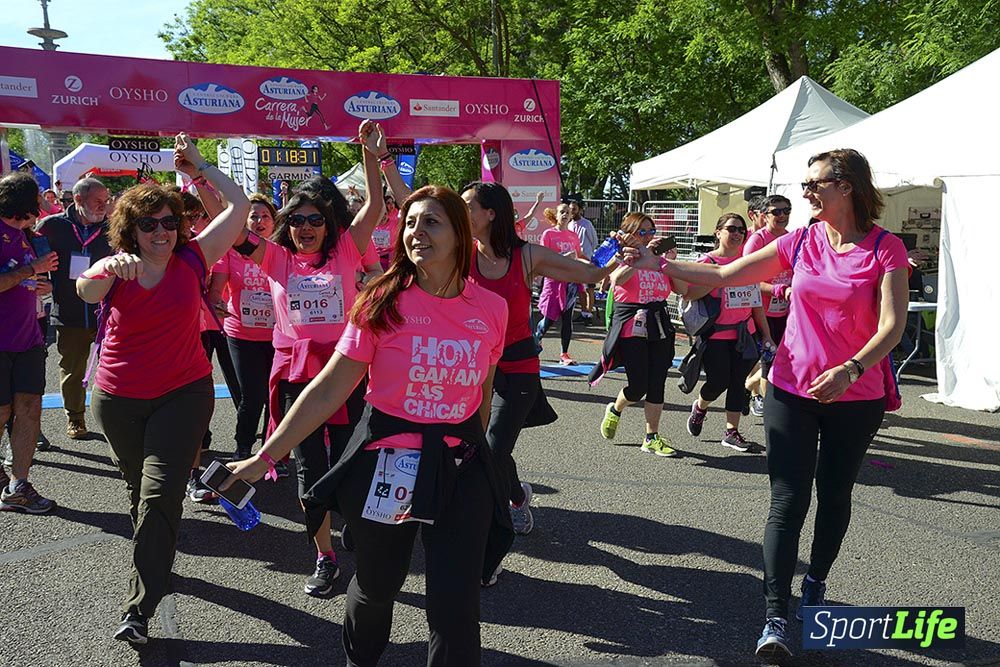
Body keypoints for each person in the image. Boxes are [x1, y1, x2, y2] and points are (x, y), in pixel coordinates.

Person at [624, 148, 908, 659]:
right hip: (790, 388)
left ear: (845, 186)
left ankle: (815, 584)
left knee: (835, 493)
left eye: (814, 183)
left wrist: (850, 370)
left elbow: (893, 326)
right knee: (787, 498)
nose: (804, 193)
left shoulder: (885, 249)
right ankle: (776, 614)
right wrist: (658, 263)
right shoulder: (798, 242)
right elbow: (721, 275)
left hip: (855, 393)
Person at [226, 185, 509, 666]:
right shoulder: (380, 301)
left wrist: (478, 455)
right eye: (411, 223)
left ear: (461, 235)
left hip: (459, 467)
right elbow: (329, 387)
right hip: (388, 465)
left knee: (456, 603)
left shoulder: (491, 309)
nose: (417, 232)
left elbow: (480, 394)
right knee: (379, 586)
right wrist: (264, 457)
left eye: (432, 222)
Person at [76, 134, 250, 645]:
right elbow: (85, 289)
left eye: (170, 222)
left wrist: (198, 165)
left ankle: (139, 608)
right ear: (129, 230)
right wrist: (106, 269)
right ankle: (153, 561)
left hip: (184, 394)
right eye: (148, 224)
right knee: (140, 493)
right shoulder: (116, 268)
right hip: (117, 399)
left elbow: (238, 204)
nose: (161, 232)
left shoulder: (194, 259)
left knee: (159, 496)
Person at [226, 120, 384, 597]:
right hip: (295, 375)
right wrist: (199, 172)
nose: (306, 227)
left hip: (348, 371)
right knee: (308, 468)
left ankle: (357, 524)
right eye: (297, 220)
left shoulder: (346, 251)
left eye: (316, 219)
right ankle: (324, 555)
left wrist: (371, 156)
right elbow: (232, 223)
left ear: (328, 224)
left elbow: (375, 206)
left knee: (358, 459)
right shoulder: (273, 259)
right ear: (286, 225)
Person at [461, 181, 616, 556]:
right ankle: (518, 495)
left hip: (518, 368)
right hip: (474, 370)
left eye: (468, 206)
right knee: (482, 448)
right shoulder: (459, 253)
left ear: (491, 213)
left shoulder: (527, 255)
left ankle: (492, 539)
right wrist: (381, 161)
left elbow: (591, 275)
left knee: (494, 450)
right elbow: (411, 208)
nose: (460, 212)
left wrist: (617, 253)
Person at [592, 212, 686, 457]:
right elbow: (616, 280)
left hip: (660, 322)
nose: (647, 237)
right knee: (638, 386)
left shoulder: (659, 259)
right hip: (632, 324)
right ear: (629, 234)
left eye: (651, 232)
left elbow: (684, 289)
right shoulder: (624, 255)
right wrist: (635, 260)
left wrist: (669, 262)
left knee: (657, 382)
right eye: (641, 232)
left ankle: (651, 437)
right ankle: (615, 408)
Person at [683, 213, 772, 453]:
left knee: (737, 384)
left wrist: (766, 334)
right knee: (718, 381)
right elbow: (689, 294)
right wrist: (720, 278)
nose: (737, 234)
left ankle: (731, 432)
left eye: (741, 230)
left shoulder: (748, 262)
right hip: (715, 335)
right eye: (731, 229)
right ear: (718, 232)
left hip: (744, 335)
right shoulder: (706, 262)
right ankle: (700, 407)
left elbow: (756, 303)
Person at [0, 172, 59, 514]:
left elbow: (30, 276)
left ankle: (18, 486)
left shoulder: (29, 236)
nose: (39, 206)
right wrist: (28, 271)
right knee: (3, 411)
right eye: (35, 199)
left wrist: (41, 284)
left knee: (29, 409)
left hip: (29, 337)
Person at [37, 177, 113, 440]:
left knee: (114, 367)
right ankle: (75, 417)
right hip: (68, 313)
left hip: (107, 314)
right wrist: (41, 282)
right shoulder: (52, 226)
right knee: (72, 369)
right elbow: (35, 257)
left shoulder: (112, 228)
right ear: (78, 200)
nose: (104, 206)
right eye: (97, 201)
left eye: (106, 201)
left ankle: (117, 418)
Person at [208, 194, 277, 461]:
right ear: (245, 221)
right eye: (254, 216)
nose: (259, 221)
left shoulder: (281, 250)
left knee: (275, 397)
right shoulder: (230, 250)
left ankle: (272, 452)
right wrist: (215, 302)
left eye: (265, 217)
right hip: (241, 333)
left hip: (277, 336)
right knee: (252, 395)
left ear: (274, 222)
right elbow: (216, 290)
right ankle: (243, 448)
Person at [742, 195, 792, 417]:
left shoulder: (791, 239)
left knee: (778, 360)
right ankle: (772, 413)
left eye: (786, 210)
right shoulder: (758, 240)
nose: (782, 215)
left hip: (785, 311)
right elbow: (746, 278)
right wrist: (776, 289)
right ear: (764, 216)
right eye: (776, 212)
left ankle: (746, 387)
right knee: (768, 362)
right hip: (760, 311)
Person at [534, 203, 586, 365]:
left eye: (568, 213)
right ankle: (536, 339)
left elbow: (579, 256)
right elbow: (544, 257)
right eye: (562, 212)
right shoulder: (548, 234)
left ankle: (564, 354)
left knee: (567, 318)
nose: (565, 215)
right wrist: (564, 255)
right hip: (553, 282)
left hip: (570, 282)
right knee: (549, 318)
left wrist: (592, 265)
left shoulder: (573, 236)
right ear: (556, 215)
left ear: (571, 216)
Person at [568, 197, 598, 322]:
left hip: (586, 260)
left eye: (574, 209)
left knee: (589, 287)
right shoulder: (569, 225)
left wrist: (587, 254)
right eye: (570, 210)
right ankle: (583, 311)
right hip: (574, 261)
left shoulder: (587, 224)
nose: (572, 212)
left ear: (580, 210)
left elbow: (594, 241)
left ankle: (589, 313)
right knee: (580, 287)